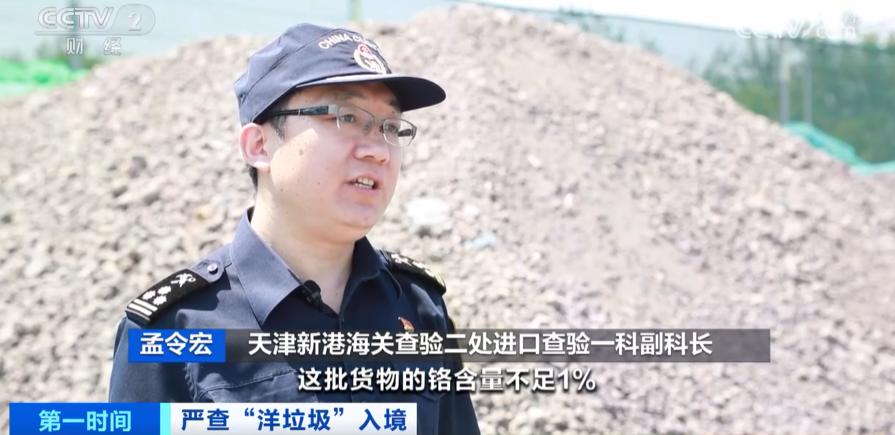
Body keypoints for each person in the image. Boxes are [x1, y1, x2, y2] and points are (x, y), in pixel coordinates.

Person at [108, 23, 480, 435]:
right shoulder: (175, 328)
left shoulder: (418, 307)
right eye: (346, 116)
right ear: (259, 146)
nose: (378, 150)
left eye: (391, 127)